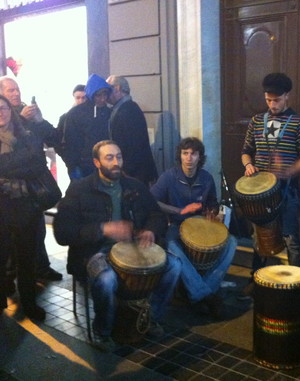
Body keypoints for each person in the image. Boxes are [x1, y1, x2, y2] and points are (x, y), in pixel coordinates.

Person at [53, 140, 182, 350]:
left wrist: (150, 229)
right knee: (106, 279)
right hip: (95, 251)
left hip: (134, 246)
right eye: (109, 158)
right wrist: (103, 229)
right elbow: (62, 232)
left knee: (174, 266)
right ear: (96, 162)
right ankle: (102, 330)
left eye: (119, 157)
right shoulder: (79, 190)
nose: (116, 163)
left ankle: (150, 318)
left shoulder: (135, 186)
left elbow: (156, 214)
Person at [151, 137, 237, 319]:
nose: (189, 158)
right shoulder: (169, 177)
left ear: (200, 157)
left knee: (231, 242)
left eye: (193, 154)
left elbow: (212, 203)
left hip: (200, 224)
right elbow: (152, 201)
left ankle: (202, 290)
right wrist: (180, 210)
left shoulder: (206, 178)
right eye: (185, 153)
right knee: (172, 245)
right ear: (180, 156)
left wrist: (212, 212)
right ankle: (206, 295)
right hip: (177, 224)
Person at [241, 72, 300, 274]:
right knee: (259, 237)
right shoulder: (256, 121)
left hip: (287, 192)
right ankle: (255, 279)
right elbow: (246, 151)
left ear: (287, 96)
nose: (272, 105)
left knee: (291, 237)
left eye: (277, 100)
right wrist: (248, 165)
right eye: (268, 100)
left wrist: (288, 171)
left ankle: (297, 280)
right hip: (261, 194)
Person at [0, 76, 62, 283]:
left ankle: (41, 268)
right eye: (10, 91)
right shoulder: (7, 121)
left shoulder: (29, 113)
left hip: (34, 188)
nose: (16, 94)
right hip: (9, 194)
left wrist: (39, 121)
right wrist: (24, 121)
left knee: (37, 231)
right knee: (9, 240)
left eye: (17, 89)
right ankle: (11, 277)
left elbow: (53, 140)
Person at [0, 94, 48, 321]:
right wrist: (21, 163)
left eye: (4, 108)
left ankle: (29, 303)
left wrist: (6, 167)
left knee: (27, 258)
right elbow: (28, 163)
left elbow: (38, 163)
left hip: (24, 205)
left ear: (11, 111)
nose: (1, 112)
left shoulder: (25, 134)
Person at [106, 75, 158, 186]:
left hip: (133, 173)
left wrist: (125, 170)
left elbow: (134, 145)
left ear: (117, 88)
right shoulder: (127, 108)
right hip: (133, 171)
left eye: (108, 89)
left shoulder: (128, 110)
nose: (106, 94)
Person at [60, 74, 112, 180]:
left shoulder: (109, 112)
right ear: (91, 95)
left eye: (105, 94)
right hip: (82, 167)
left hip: (105, 165)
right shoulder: (75, 114)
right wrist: (73, 165)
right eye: (98, 95)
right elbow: (70, 142)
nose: (102, 99)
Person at [54, 84, 86, 157]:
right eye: (78, 98)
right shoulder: (65, 118)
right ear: (74, 98)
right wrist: (67, 159)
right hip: (74, 160)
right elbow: (58, 140)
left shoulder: (93, 115)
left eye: (84, 98)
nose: (81, 101)